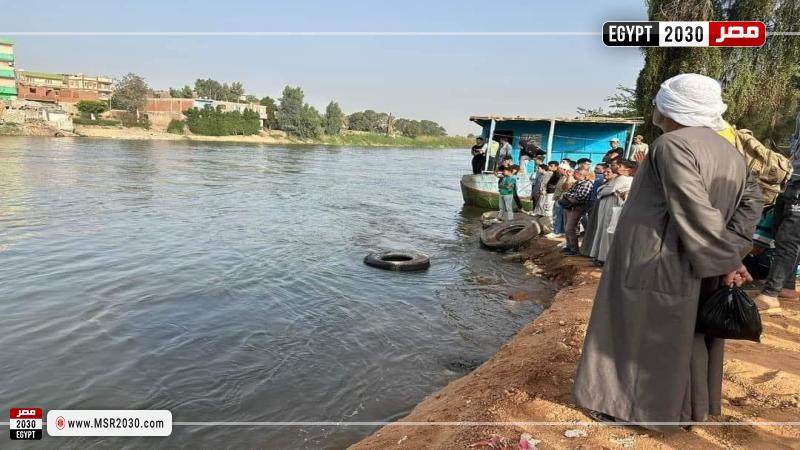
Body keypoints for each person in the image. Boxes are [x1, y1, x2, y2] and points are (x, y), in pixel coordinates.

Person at [573, 73, 763, 430]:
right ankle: (689, 410)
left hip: (654, 261)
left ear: (672, 106)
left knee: (638, 333)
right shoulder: (732, 154)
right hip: (702, 257)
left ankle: (630, 410)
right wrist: (731, 251)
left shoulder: (671, 145)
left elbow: (692, 206)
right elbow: (752, 204)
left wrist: (726, 260)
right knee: (687, 333)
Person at [755, 111, 800, 312]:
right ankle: (787, 285)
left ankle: (771, 293)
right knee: (779, 231)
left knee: (789, 237)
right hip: (791, 177)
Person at [588, 159, 636, 266]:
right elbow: (601, 190)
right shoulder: (617, 178)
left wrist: (604, 189)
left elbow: (606, 190)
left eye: (618, 165)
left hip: (613, 205)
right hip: (607, 204)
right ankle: (599, 255)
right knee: (602, 229)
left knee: (608, 230)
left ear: (627, 169)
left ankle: (604, 258)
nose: (615, 167)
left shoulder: (624, 178)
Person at [559, 168, 593, 255]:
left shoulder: (587, 184)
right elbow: (567, 192)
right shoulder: (577, 183)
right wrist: (569, 196)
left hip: (576, 209)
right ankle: (569, 246)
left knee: (570, 229)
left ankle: (574, 249)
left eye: (576, 173)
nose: (574, 175)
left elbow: (581, 197)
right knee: (567, 228)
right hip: (569, 207)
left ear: (581, 175)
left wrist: (568, 196)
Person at [549, 163, 575, 238]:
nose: (558, 170)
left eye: (559, 169)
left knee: (557, 216)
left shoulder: (569, 178)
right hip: (559, 198)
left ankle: (556, 231)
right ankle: (560, 231)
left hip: (562, 199)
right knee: (560, 215)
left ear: (564, 170)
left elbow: (565, 189)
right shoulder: (562, 177)